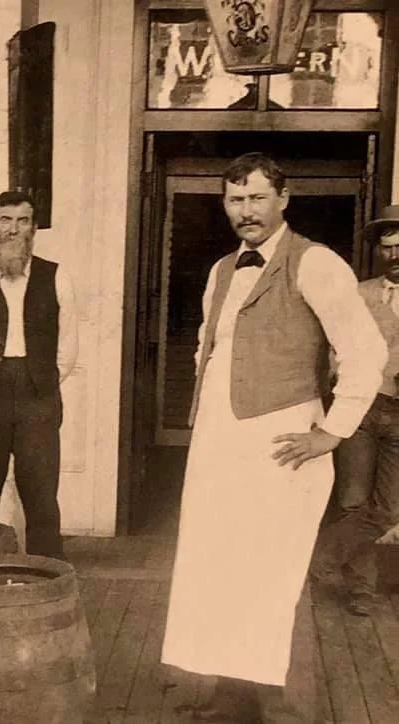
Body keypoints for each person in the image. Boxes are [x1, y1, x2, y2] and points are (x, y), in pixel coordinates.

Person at [161, 152, 386, 721]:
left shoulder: (317, 264)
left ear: (283, 199)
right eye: (236, 200)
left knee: (273, 573)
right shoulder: (220, 270)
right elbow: (206, 352)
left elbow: (366, 352)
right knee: (218, 567)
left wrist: (332, 432)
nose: (247, 211)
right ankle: (232, 698)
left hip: (283, 445)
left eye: (257, 198)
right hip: (221, 443)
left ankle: (285, 708)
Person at [0, 191, 78, 558]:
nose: (13, 229)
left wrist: (38, 381)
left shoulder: (56, 277)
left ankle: (46, 577)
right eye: (5, 220)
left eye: (23, 221)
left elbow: (67, 350)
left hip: (37, 397)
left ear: (34, 228)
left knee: (41, 495)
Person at [310, 205, 399, 616]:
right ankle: (362, 591)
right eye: (387, 248)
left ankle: (322, 557)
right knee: (353, 503)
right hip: (364, 410)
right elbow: (335, 347)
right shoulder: (360, 294)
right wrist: (338, 381)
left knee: (389, 509)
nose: (395, 255)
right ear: (378, 252)